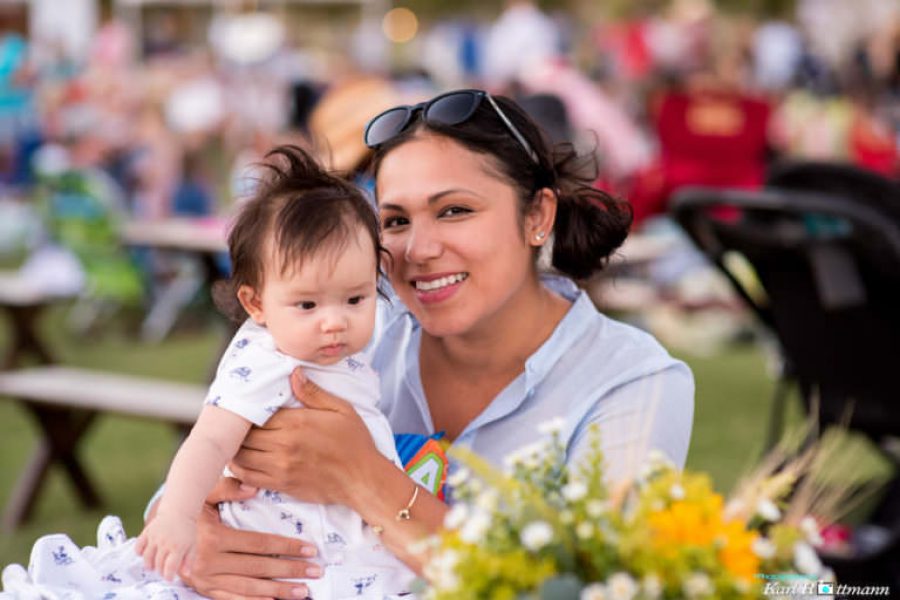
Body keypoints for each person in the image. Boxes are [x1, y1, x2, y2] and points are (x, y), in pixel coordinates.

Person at [160, 89, 694, 600]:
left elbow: (591, 588)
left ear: (537, 216)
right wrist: (202, 542)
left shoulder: (633, 383)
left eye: (454, 210)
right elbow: (194, 481)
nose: (418, 249)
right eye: (394, 221)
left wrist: (362, 477)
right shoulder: (341, 336)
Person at [1, 145, 416, 600]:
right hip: (279, 541)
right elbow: (211, 439)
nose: (334, 320)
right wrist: (177, 515)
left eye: (355, 298)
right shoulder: (270, 361)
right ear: (256, 304)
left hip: (330, 535)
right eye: (307, 304)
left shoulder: (338, 345)